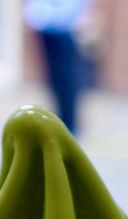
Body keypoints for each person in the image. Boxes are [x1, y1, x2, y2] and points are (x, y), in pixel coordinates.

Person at [23, 0, 89, 134]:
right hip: (46, 27)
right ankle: (60, 117)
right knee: (53, 77)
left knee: (66, 77)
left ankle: (69, 122)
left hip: (65, 28)